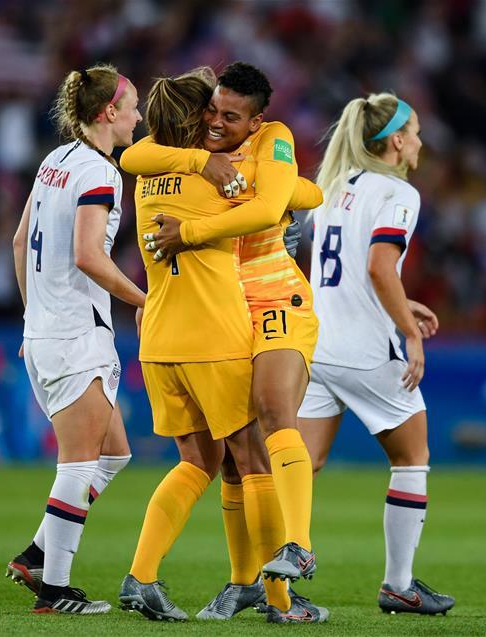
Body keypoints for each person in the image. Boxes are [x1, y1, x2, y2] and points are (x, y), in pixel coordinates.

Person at [117, 67, 327, 624]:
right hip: (215, 333)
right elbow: (308, 193)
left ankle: (144, 576)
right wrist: (277, 191)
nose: (215, 122)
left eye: (227, 115)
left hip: (160, 335)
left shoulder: (151, 173)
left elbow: (133, 156)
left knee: (203, 461)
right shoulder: (216, 178)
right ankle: (275, 597)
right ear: (196, 116)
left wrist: (275, 184)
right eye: (209, 111)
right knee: (249, 458)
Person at [296, 93, 455, 615]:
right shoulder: (399, 193)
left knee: (302, 464)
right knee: (412, 458)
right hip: (367, 351)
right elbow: (378, 268)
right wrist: (408, 331)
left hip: (317, 345)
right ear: (395, 141)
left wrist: (401, 303)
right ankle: (398, 584)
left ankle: (261, 575)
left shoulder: (334, 188)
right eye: (416, 132)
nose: (421, 141)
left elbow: (336, 273)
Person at [7, 64, 145, 615]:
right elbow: (90, 255)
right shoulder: (99, 173)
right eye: (132, 105)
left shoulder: (53, 161)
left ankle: (38, 553)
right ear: (109, 112)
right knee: (79, 464)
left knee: (115, 453)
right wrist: (145, 300)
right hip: (74, 335)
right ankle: (55, 590)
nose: (138, 115)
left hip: (44, 332)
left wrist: (30, 318)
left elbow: (21, 243)